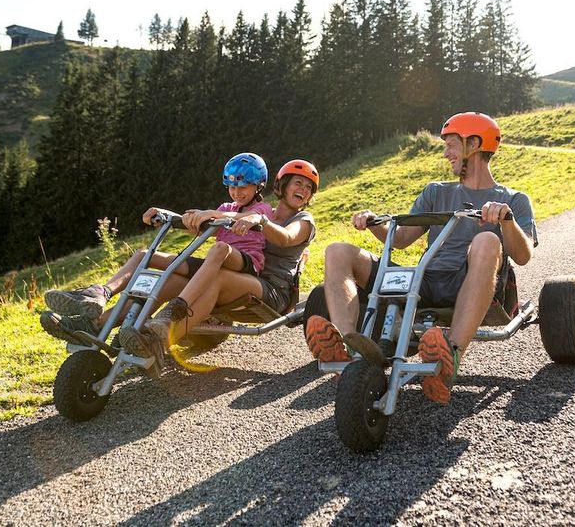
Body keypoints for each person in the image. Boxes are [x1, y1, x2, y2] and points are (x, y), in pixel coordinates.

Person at [304, 112, 536, 404]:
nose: (446, 153)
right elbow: (400, 239)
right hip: (424, 280)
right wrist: (374, 222)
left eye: (451, 145)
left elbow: (523, 255)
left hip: (469, 280)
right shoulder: (436, 191)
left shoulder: (513, 199)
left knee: (487, 240)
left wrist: (505, 221)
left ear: (474, 143)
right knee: (337, 251)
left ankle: (450, 355)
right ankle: (349, 350)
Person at [40, 152, 273, 342]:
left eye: (243, 187)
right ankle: (99, 297)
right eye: (232, 187)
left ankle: (176, 308)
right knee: (145, 255)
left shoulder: (263, 210)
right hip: (213, 265)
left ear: (259, 186)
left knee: (220, 247)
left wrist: (211, 214)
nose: (237, 192)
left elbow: (240, 218)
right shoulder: (225, 206)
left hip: (244, 266)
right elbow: (197, 221)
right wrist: (166, 215)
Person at [118, 159, 319, 368]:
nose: (303, 190)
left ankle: (163, 333)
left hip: (273, 289)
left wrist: (260, 221)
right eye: (298, 183)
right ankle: (116, 326)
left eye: (308, 188)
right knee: (175, 279)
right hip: (244, 278)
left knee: (218, 278)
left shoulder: (303, 220)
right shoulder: (263, 211)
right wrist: (173, 218)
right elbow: (216, 223)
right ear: (283, 185)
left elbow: (285, 237)